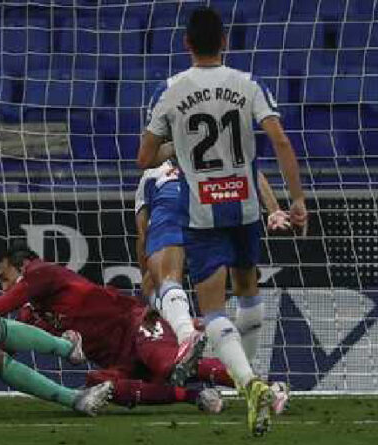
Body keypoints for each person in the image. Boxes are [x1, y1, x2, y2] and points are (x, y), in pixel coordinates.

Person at [136, 7, 307, 436]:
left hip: (203, 211)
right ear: (226, 42)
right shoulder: (247, 83)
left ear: (186, 44)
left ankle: (247, 384)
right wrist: (296, 200)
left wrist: (179, 147)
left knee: (212, 309)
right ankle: (247, 385)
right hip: (248, 206)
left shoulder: (171, 90)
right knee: (248, 292)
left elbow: (144, 159)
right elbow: (281, 140)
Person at [0, 242, 236, 413]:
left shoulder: (42, 273)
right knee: (101, 385)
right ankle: (195, 396)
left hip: (136, 324)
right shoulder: (33, 317)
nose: (5, 287)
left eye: (6, 278)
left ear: (23, 266)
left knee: (164, 364)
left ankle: (251, 384)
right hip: (118, 358)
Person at [134, 156, 291, 392]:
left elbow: (143, 236)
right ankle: (247, 381)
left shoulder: (149, 176)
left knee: (159, 284)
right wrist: (275, 209)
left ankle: (186, 333)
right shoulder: (213, 156)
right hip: (212, 207)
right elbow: (253, 171)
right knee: (243, 290)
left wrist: (148, 288)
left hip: (172, 210)